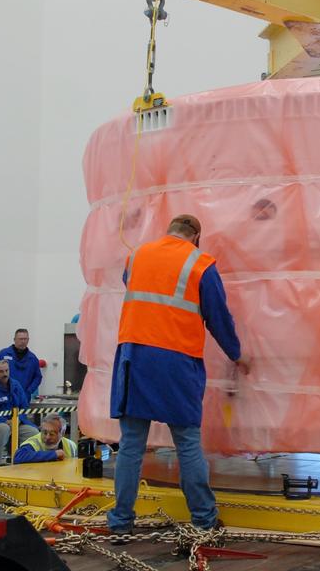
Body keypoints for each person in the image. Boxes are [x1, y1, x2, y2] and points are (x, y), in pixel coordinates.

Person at [105, 214, 251, 534]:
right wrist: (237, 354)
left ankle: (120, 523)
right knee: (186, 442)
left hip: (134, 357)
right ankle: (203, 519)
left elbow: (136, 289)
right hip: (176, 361)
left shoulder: (137, 256)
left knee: (131, 445)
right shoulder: (201, 264)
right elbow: (219, 318)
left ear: (169, 230)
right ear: (196, 236)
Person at [0, 360, 39, 465]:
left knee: (33, 432)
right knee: (3, 429)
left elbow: (24, 406)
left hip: (15, 421)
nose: (5, 374)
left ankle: (22, 459)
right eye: (1, 371)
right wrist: (6, 421)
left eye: (6, 370)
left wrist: (18, 419)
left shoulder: (15, 385)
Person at [0, 329, 43, 401]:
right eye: (20, 339)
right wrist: (1, 390)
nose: (23, 341)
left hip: (24, 397)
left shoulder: (32, 359)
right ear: (14, 340)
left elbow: (37, 377)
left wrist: (29, 391)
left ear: (28, 340)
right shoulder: (3, 354)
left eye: (25, 339)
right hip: (4, 398)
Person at [13, 413, 77, 463]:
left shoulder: (71, 446)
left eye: (52, 434)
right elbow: (18, 457)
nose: (47, 437)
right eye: (44, 433)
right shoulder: (33, 443)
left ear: (62, 433)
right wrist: (54, 454)